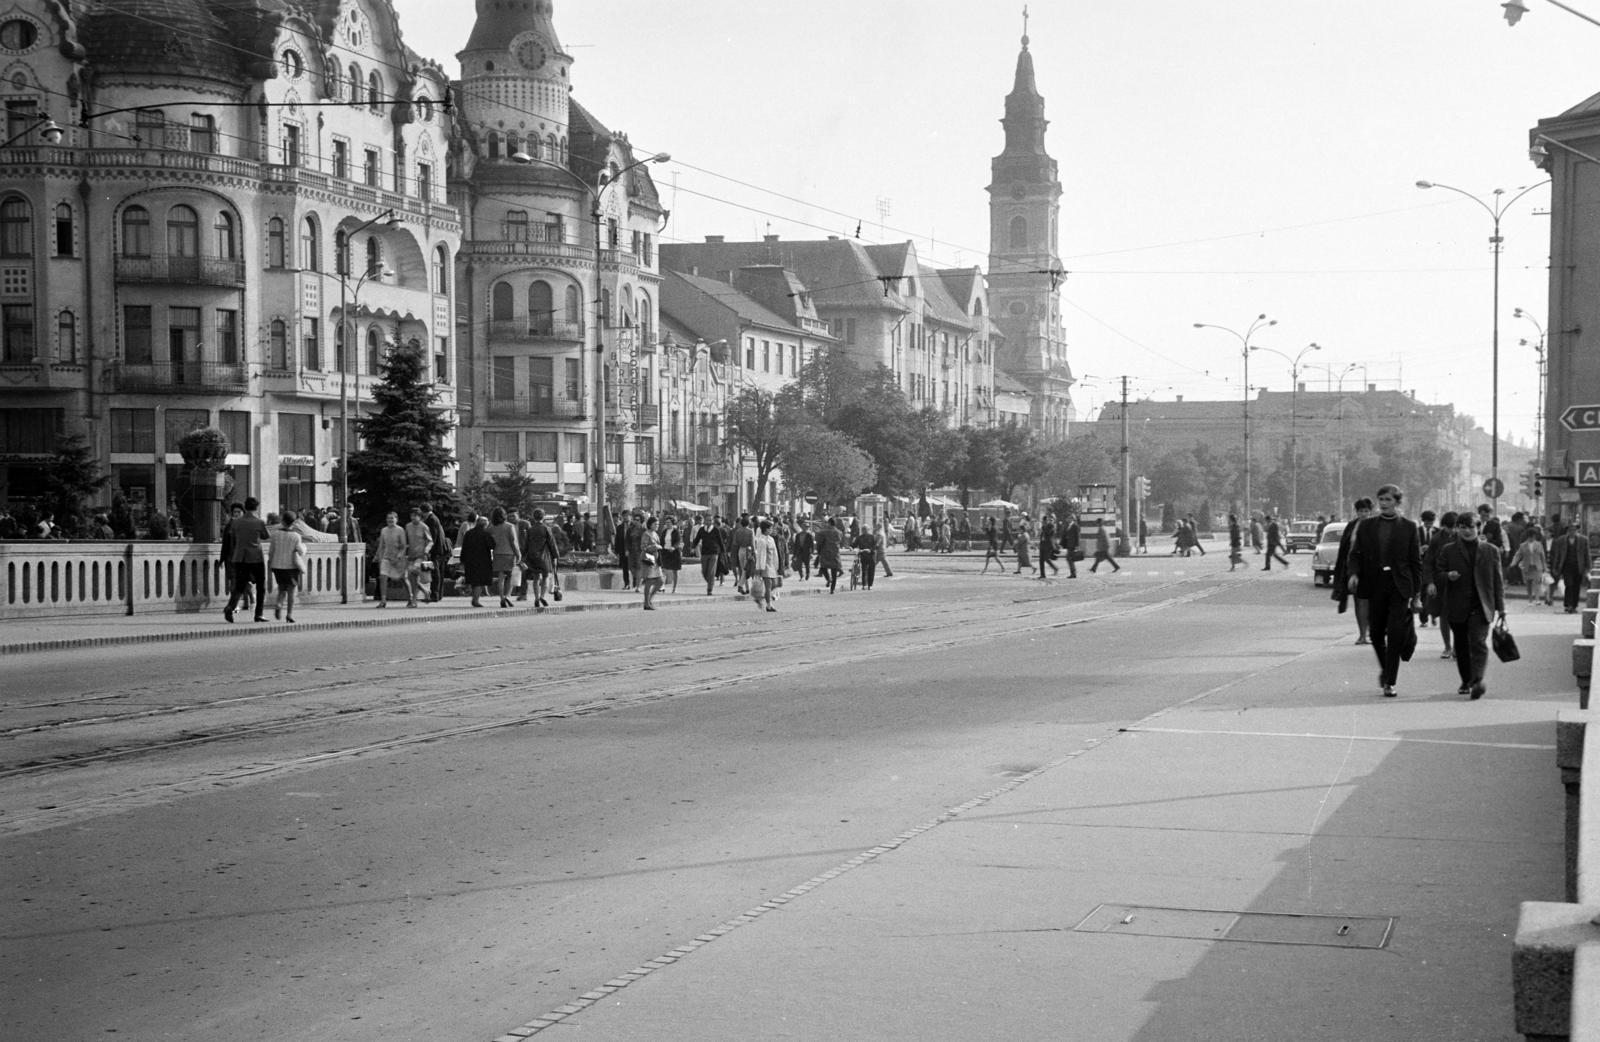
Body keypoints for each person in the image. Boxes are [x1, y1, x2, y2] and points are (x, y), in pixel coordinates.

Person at [1347, 484, 1423, 698]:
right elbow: (1355, 554)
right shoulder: (1367, 526)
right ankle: (1387, 668)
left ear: (1397, 503)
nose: (1384, 504)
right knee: (1377, 633)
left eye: (1389, 500)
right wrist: (1354, 573)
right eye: (1381, 500)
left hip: (1399, 585)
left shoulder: (1409, 527)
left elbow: (1415, 561)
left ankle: (1390, 681)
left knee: (1396, 632)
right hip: (1375, 584)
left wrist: (1416, 593)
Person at [1427, 510, 1506, 699]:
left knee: (1478, 642)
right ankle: (1466, 680)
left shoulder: (1490, 550)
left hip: (1481, 605)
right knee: (1461, 645)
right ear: (1457, 529)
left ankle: (1477, 680)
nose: (1467, 531)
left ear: (1478, 528)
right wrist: (1448, 576)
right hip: (1457, 604)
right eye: (1463, 527)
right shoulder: (1449, 550)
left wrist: (1501, 607)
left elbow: (1498, 581)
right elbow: (1438, 573)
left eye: (1471, 527)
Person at [1333, 497, 1375, 645]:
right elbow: (1344, 549)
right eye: (1360, 511)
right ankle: (1363, 634)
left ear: (1371, 512)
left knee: (1372, 603)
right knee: (1359, 602)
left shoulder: (1375, 526)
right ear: (1356, 512)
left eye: (1366, 511)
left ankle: (1371, 632)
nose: (1363, 514)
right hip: (1353, 568)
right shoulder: (1351, 526)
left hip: (1373, 570)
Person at [222, 497, 269, 623]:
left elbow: (233, 535)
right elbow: (266, 536)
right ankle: (258, 613)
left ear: (245, 508)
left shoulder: (236, 523)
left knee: (239, 586)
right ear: (256, 508)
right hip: (255, 557)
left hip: (239, 557)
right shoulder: (259, 522)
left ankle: (230, 607)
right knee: (260, 587)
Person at [1424, 511, 1458, 660]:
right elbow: (1429, 562)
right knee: (1444, 615)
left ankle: (1458, 647)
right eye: (1448, 527)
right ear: (1443, 526)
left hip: (1459, 582)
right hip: (1442, 581)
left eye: (1454, 527)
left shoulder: (1463, 537)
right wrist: (1430, 582)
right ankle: (1447, 647)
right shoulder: (1437, 539)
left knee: (1459, 616)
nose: (1451, 530)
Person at [268, 509, 307, 623]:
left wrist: (271, 563)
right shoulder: (296, 536)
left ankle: (279, 604)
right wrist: (304, 547)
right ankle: (289, 614)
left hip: (277, 566)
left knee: (281, 589)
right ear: (293, 522)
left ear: (282, 521)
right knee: (291, 592)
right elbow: (300, 552)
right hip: (291, 567)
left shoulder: (275, 535)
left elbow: (271, 552)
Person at [1551, 522, 1592, 614]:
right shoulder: (1561, 540)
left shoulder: (1583, 540)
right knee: (1569, 585)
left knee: (1576, 586)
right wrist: (1555, 567)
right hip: (1566, 566)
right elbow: (1557, 555)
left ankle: (1574, 605)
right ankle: (1568, 604)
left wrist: (1588, 568)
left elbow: (1587, 554)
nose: (1572, 532)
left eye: (1574, 530)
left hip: (1578, 566)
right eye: (1570, 530)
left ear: (1577, 530)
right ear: (1567, 531)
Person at [220, 502, 251, 612]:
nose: (236, 514)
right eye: (234, 512)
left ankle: (248, 601)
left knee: (245, 581)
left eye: (238, 512)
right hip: (231, 558)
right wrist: (222, 559)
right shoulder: (229, 526)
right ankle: (235, 605)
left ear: (243, 513)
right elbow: (225, 543)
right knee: (233, 582)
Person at [522, 508, 557, 608]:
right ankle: (542, 596)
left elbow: (526, 545)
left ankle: (536, 598)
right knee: (545, 577)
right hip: (543, 556)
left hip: (532, 556)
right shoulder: (546, 529)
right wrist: (555, 556)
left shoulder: (530, 529)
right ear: (543, 517)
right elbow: (552, 544)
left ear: (534, 517)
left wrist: (522, 556)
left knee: (536, 577)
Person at [486, 506, 519, 608]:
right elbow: (513, 541)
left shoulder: (490, 527)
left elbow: (487, 540)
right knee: (510, 576)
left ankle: (501, 598)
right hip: (509, 554)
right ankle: (507, 595)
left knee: (500, 578)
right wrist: (518, 553)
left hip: (497, 553)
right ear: (504, 515)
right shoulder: (509, 526)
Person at [375, 510, 408, 608]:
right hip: (386, 558)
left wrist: (398, 557)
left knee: (403, 579)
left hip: (398, 558)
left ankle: (410, 597)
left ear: (396, 519)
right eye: (388, 518)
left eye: (392, 518)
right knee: (383, 577)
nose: (390, 520)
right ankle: (383, 600)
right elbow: (381, 545)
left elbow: (403, 546)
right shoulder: (384, 530)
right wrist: (379, 557)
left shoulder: (400, 530)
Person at [460, 514, 495, 607]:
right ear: (485, 525)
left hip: (469, 559)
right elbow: (492, 545)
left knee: (473, 580)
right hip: (482, 560)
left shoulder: (469, 533)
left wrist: (462, 559)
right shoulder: (486, 534)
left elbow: (464, 546)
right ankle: (475, 600)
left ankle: (474, 598)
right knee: (480, 581)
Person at [1510, 526, 1549, 609]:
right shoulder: (1522, 545)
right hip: (1527, 566)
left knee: (1537, 583)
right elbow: (1518, 555)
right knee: (1528, 584)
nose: (1532, 538)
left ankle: (1537, 599)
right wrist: (1513, 562)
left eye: (1533, 536)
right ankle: (1530, 600)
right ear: (1528, 536)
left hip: (1537, 566)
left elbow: (1542, 556)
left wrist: (1545, 567)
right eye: (1530, 536)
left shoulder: (1539, 544)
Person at [402, 507, 434, 608]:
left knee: (413, 574)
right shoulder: (408, 526)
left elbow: (430, 541)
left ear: (420, 517)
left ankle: (413, 601)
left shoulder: (424, 527)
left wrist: (426, 550)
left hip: (420, 556)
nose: (413, 518)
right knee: (409, 577)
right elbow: (406, 541)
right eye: (411, 516)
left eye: (415, 516)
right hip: (411, 555)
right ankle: (425, 591)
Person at [420, 504, 449, 602]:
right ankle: (438, 595)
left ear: (424, 511)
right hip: (440, 549)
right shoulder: (434, 518)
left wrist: (429, 550)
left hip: (436, 550)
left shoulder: (431, 520)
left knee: (435, 572)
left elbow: (433, 536)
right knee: (439, 572)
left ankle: (434, 595)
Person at [693, 516, 729, 595]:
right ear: (705, 521)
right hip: (705, 553)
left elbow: (720, 541)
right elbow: (697, 539)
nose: (709, 522)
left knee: (711, 571)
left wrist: (723, 551)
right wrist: (693, 547)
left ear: (712, 521)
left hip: (714, 553)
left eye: (710, 520)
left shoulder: (715, 530)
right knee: (704, 571)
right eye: (707, 520)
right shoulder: (702, 530)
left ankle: (710, 589)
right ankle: (710, 582)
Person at [751, 518, 780, 611]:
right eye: (770, 528)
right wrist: (760, 568)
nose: (771, 530)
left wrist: (777, 564)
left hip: (772, 564)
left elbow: (775, 553)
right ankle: (769, 605)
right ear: (765, 529)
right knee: (768, 585)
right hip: (765, 565)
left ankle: (761, 597)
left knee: (775, 584)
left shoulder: (771, 539)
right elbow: (761, 555)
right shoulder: (761, 540)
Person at [639, 516, 664, 610]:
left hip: (656, 560)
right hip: (649, 559)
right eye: (655, 524)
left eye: (657, 524)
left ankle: (649, 600)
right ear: (650, 524)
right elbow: (643, 547)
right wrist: (654, 547)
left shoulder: (655, 534)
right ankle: (646, 603)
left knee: (660, 581)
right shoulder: (646, 534)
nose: (657, 526)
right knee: (649, 581)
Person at [814, 518, 844, 593]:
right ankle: (832, 589)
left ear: (829, 523)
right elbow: (840, 541)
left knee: (823, 568)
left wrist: (818, 550)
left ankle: (828, 579)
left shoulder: (823, 532)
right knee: (834, 571)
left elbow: (819, 541)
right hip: (835, 553)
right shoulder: (839, 532)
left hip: (825, 552)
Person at [660, 516, 684, 593]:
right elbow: (661, 541)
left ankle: (674, 587)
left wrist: (674, 547)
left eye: (669, 522)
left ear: (672, 523)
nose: (667, 524)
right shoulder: (664, 531)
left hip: (674, 553)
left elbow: (678, 541)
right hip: (666, 552)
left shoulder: (676, 531)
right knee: (663, 569)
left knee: (674, 571)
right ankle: (662, 586)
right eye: (666, 522)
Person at [852, 525, 878, 589]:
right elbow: (854, 544)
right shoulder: (859, 537)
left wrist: (870, 550)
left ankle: (869, 585)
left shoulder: (872, 537)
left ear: (868, 530)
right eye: (863, 529)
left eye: (865, 529)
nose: (864, 531)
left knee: (870, 570)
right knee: (864, 570)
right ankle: (864, 585)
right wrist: (851, 547)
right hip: (863, 554)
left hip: (871, 554)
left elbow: (875, 546)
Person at [1037, 514, 1060, 580]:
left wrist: (1045, 526)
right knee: (1041, 560)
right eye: (1043, 521)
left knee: (1046, 558)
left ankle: (1055, 568)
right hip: (1042, 545)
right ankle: (1042, 575)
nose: (1044, 522)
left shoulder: (1051, 526)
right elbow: (1042, 536)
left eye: (1046, 521)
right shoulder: (1044, 526)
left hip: (1048, 545)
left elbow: (1049, 533)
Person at [1060, 511, 1081, 578]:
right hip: (1069, 544)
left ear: (1072, 519)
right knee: (1070, 559)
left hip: (1072, 545)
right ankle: (1073, 573)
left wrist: (1077, 545)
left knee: (1069, 559)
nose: (1067, 519)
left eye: (1069, 518)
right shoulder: (1068, 526)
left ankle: (1073, 573)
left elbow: (1077, 536)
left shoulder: (1075, 526)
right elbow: (1065, 535)